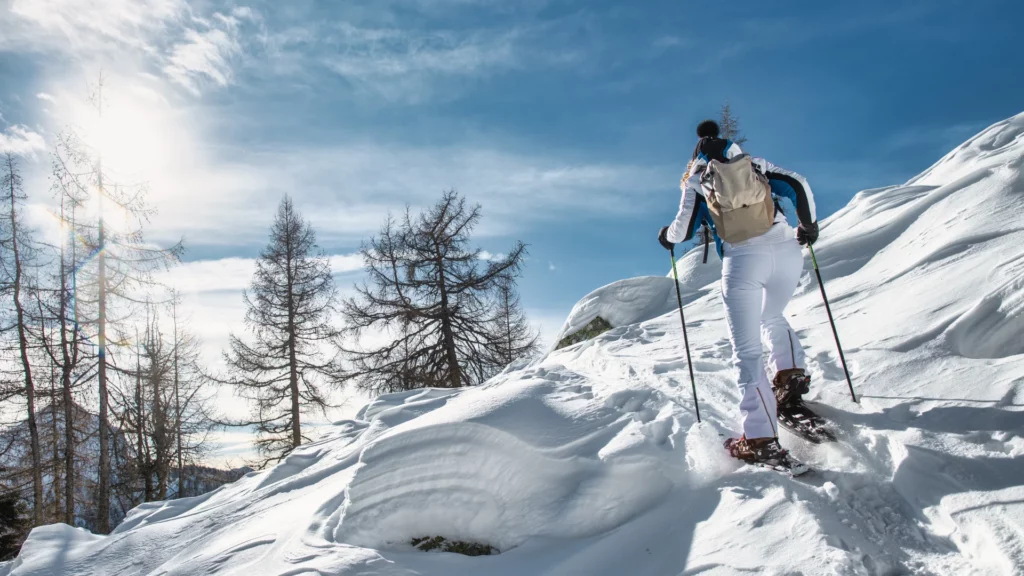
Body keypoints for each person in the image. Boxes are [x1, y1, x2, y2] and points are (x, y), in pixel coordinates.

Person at [658, 119, 819, 464]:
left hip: (743, 258)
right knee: (772, 315)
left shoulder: (697, 180)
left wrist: (665, 237)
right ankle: (790, 378)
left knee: (746, 350)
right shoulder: (755, 165)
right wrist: (809, 225)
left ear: (697, 151)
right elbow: (798, 185)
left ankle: (760, 438)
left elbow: (682, 230)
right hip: (786, 251)